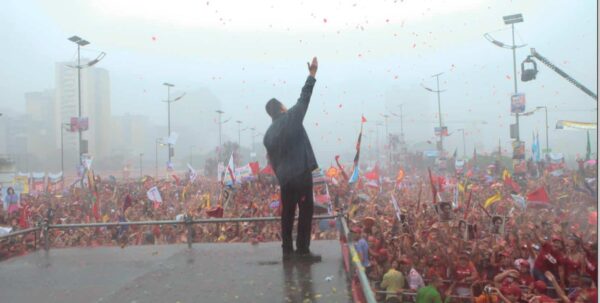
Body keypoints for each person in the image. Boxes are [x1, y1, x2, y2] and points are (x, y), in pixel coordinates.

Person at [263, 57, 320, 261]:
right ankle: (303, 250)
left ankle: (287, 250)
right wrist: (312, 74)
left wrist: (282, 175)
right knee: (305, 212)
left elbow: (272, 161)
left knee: (287, 214)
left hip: (286, 180)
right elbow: (305, 98)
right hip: (301, 176)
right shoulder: (291, 118)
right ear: (281, 108)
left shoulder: (268, 135)